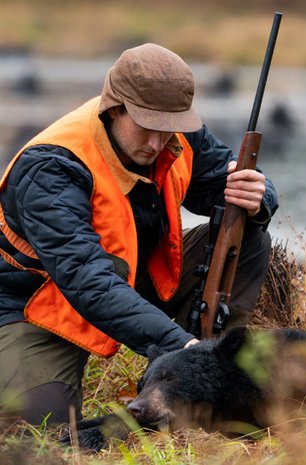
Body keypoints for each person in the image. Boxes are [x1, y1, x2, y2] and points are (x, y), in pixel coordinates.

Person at [0, 43, 278, 425]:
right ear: (114, 109)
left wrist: (259, 197)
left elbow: (227, 181)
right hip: (37, 304)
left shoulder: (175, 132)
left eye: (168, 129)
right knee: (40, 425)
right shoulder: (50, 168)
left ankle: (217, 372)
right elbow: (87, 282)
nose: (157, 143)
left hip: (129, 278)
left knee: (249, 234)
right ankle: (193, 356)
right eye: (147, 127)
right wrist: (179, 347)